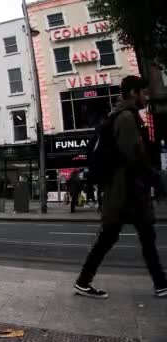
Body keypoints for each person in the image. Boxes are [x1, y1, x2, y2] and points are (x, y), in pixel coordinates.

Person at [75, 76, 167, 298]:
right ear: (133, 93)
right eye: (143, 93)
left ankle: (160, 284)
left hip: (124, 190)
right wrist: (155, 178)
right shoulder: (126, 117)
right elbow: (134, 153)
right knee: (139, 237)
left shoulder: (122, 115)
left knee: (127, 237)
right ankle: (161, 284)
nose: (146, 97)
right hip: (127, 190)